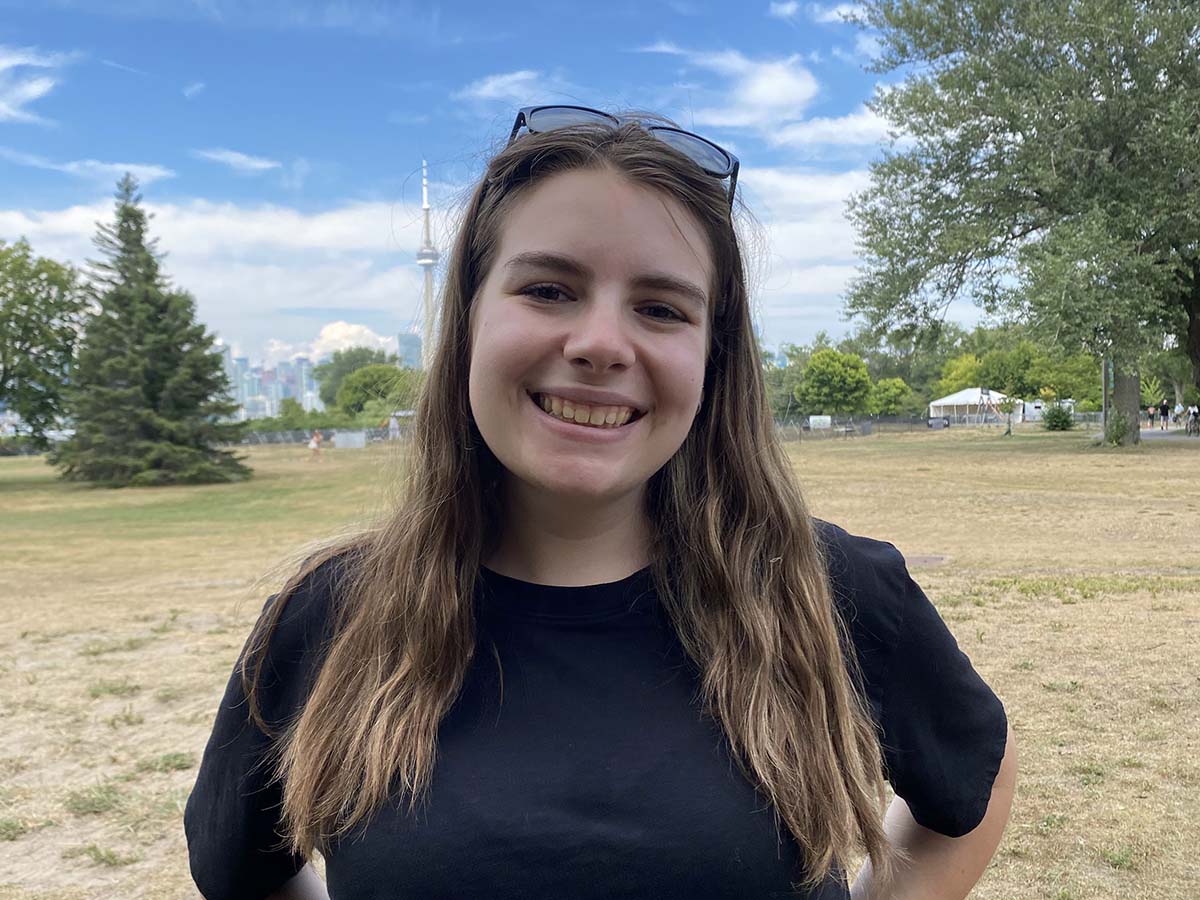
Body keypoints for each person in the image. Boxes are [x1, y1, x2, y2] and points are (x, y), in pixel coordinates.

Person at [185, 106, 1015, 900]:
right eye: (548, 289)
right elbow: (240, 874)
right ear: (469, 318)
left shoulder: (824, 586)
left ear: (712, 359)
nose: (600, 345)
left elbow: (975, 774)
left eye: (660, 308)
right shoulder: (328, 615)